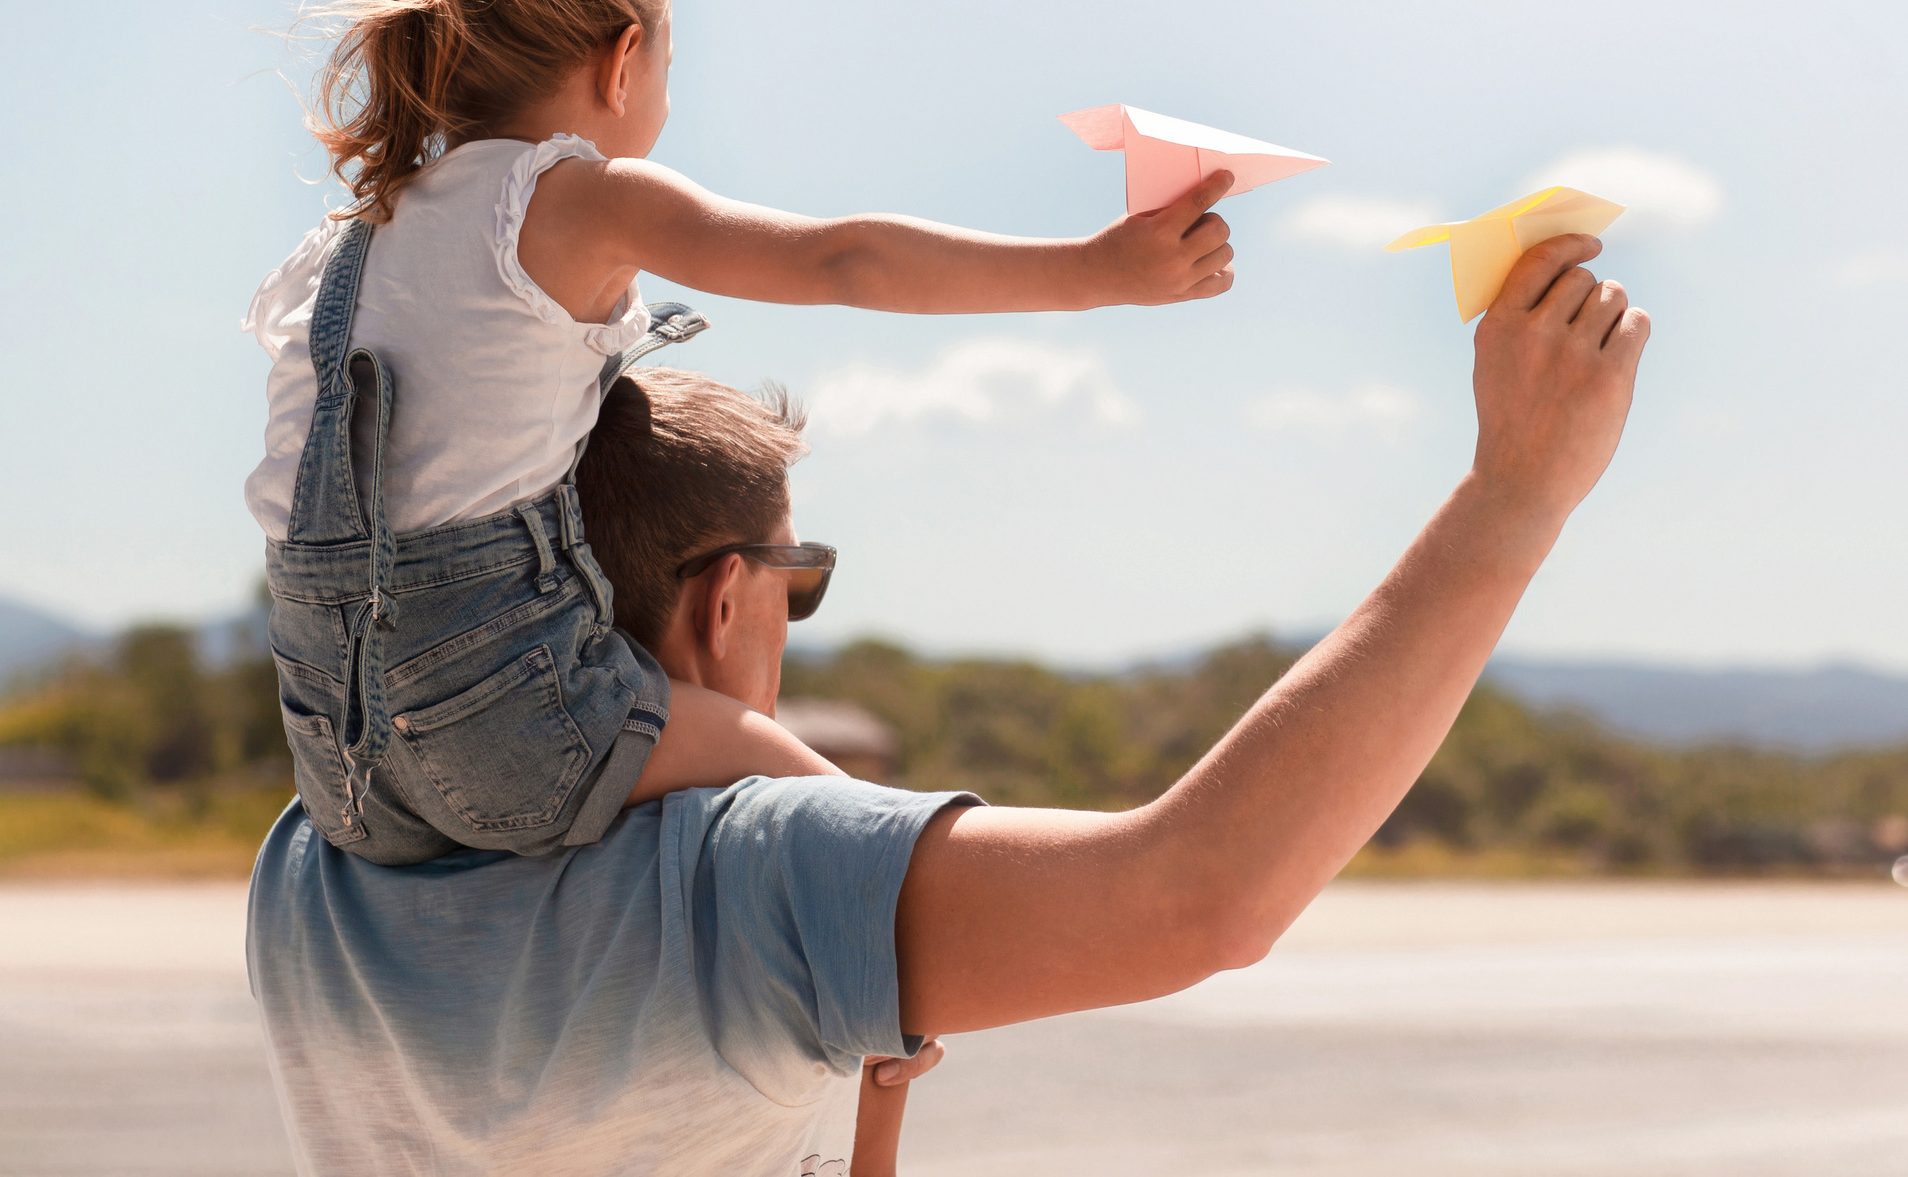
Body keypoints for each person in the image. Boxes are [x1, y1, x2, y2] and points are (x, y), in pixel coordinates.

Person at [247, 233, 1649, 1174]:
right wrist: (1517, 488)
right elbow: (1202, 889)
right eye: (799, 584)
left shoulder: (310, 868)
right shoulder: (756, 877)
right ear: (724, 597)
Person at [243, 0, 1238, 867]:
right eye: (670, 60)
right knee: (777, 761)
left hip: (337, 764)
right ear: (622, 57)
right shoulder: (576, 197)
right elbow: (842, 257)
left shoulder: (356, 238)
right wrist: (1099, 269)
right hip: (507, 730)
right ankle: (903, 955)